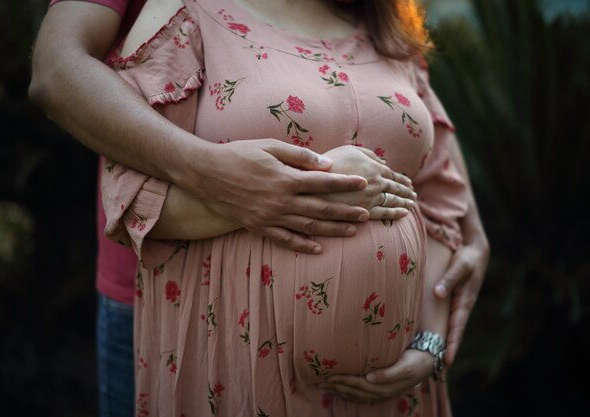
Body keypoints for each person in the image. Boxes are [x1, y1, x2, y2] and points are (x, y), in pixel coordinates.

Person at [28, 0, 489, 414]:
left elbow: (442, 198)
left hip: (396, 395)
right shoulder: (186, 15)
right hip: (236, 369)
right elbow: (127, 191)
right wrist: (281, 189)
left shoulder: (384, 25)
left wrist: (429, 341)